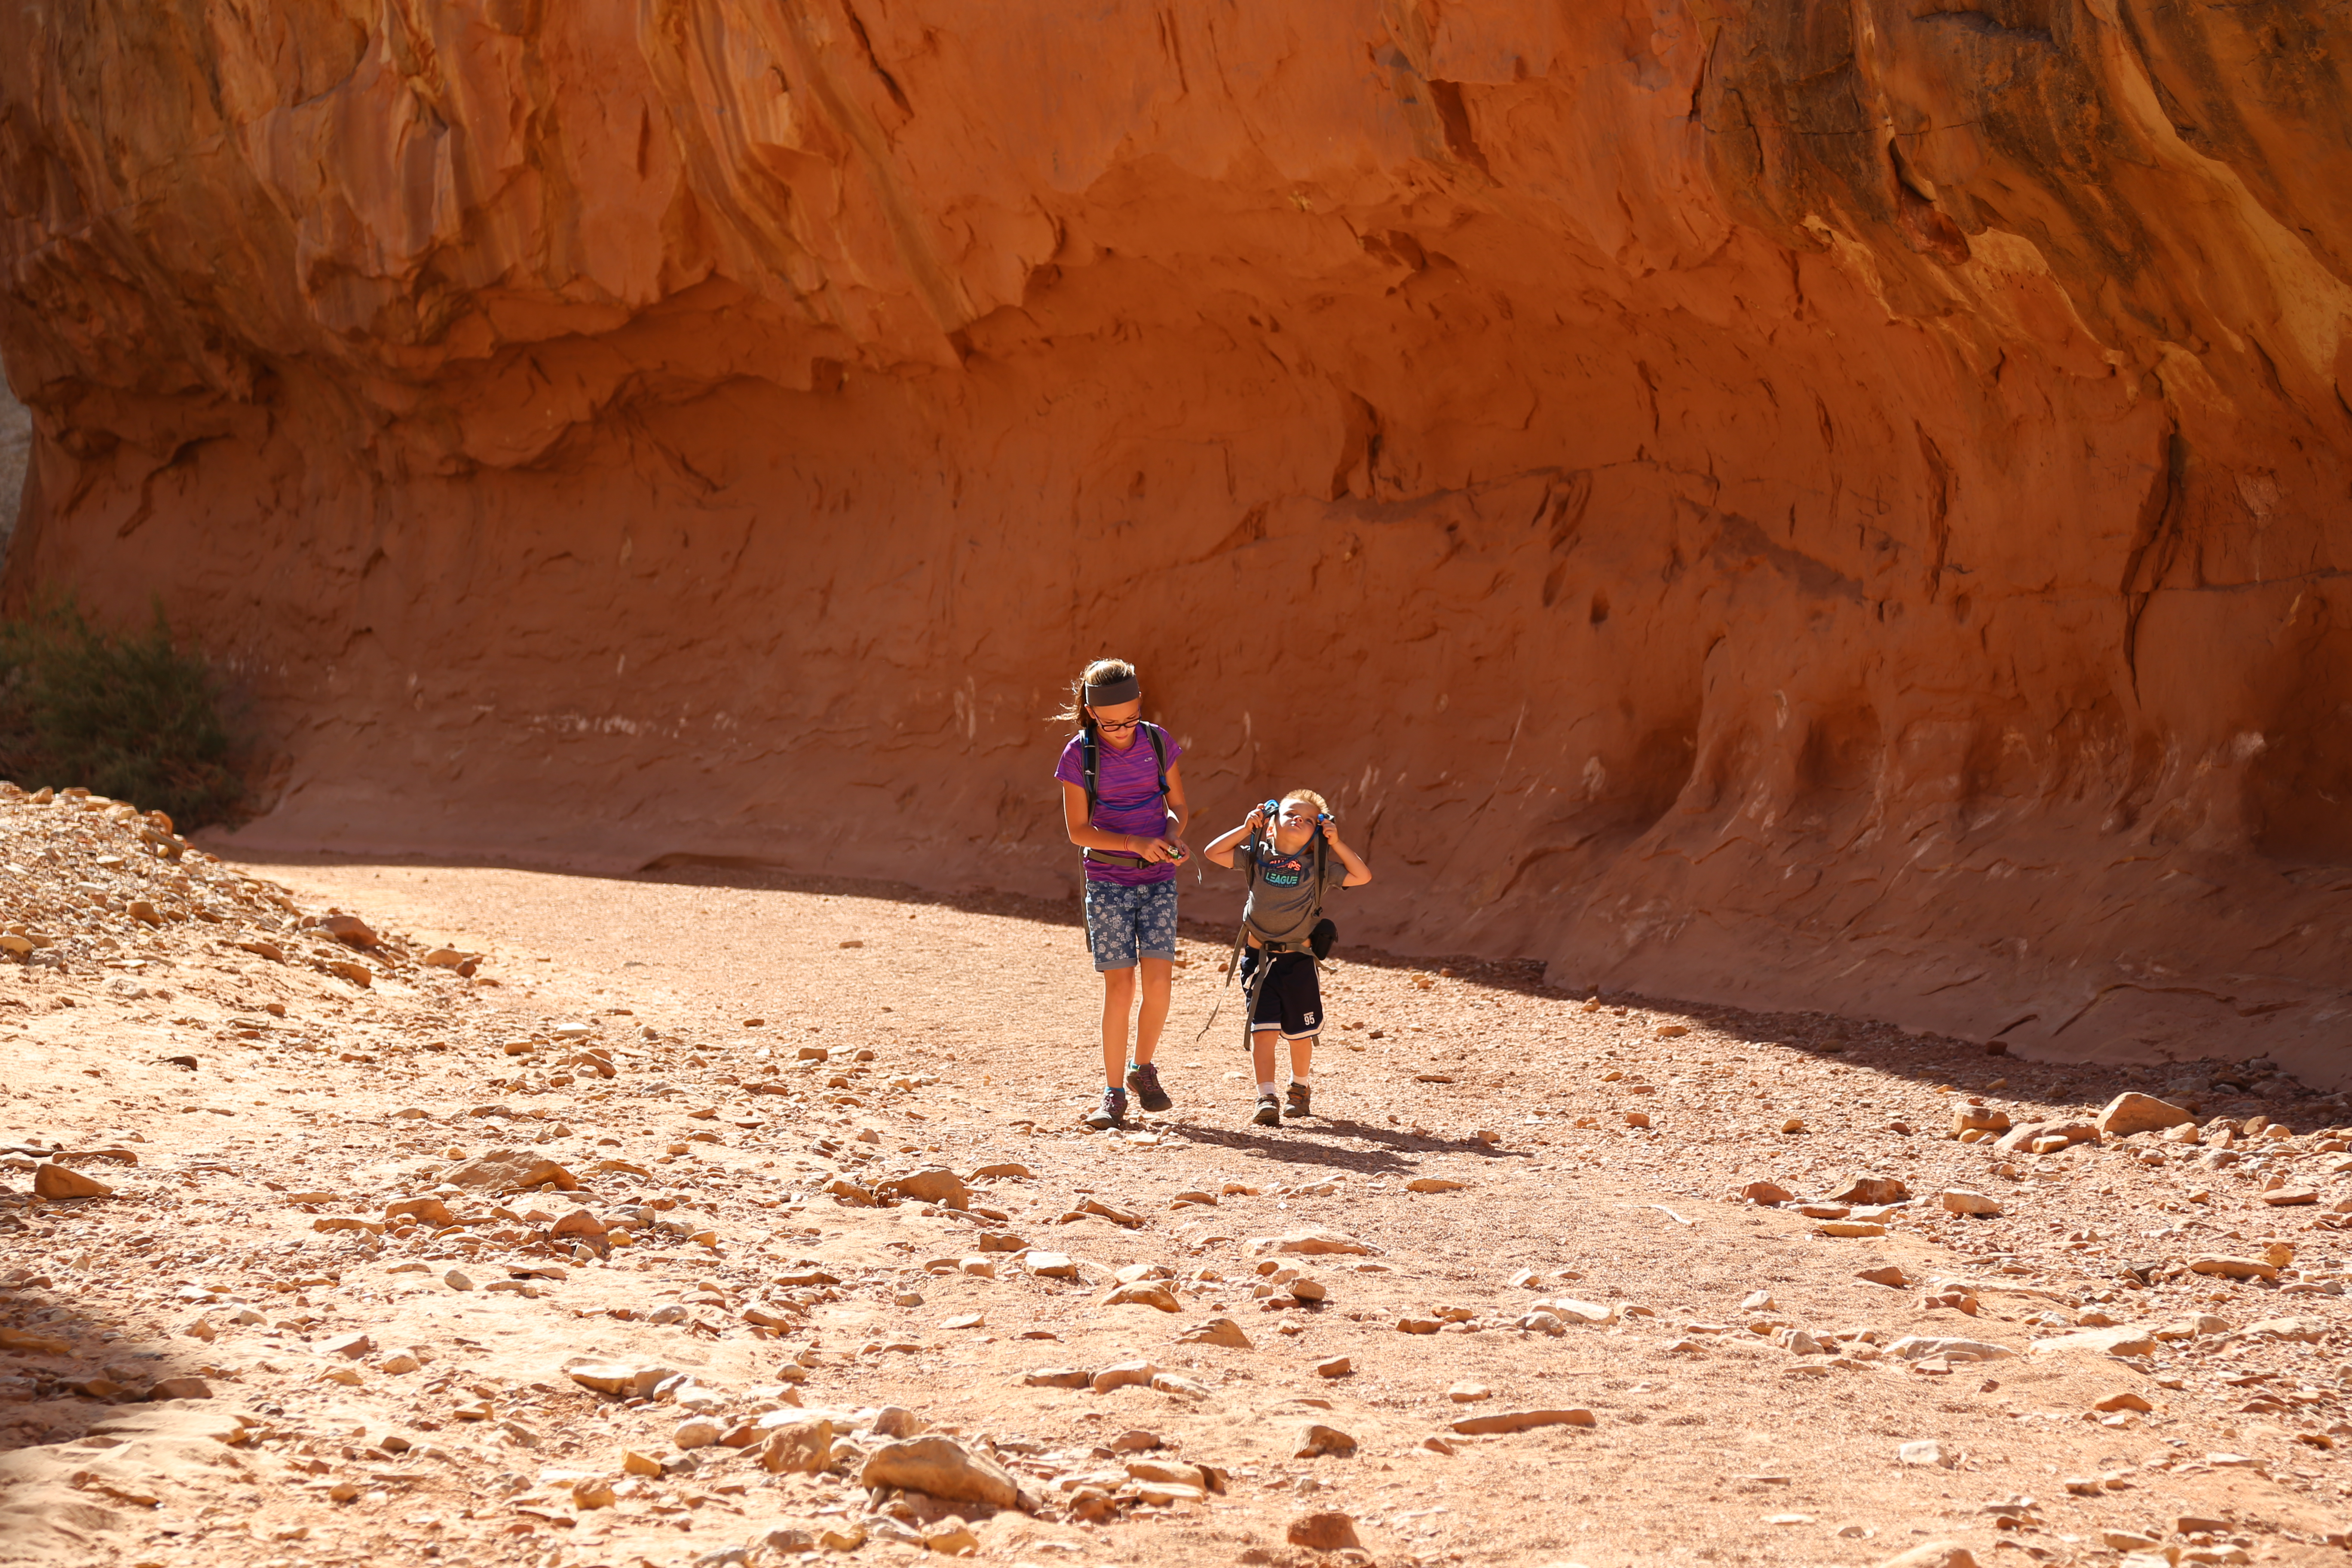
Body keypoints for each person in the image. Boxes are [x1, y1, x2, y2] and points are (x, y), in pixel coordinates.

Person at [1052, 659, 1191, 1130]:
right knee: (1121, 988)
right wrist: (1135, 844)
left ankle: (1142, 1068)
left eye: (1130, 719)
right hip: (1108, 882)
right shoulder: (1079, 754)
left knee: (1159, 986)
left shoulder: (1156, 740)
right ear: (1090, 713)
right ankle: (1112, 1094)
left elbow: (1178, 808)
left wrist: (1171, 837)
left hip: (1158, 881)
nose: (1122, 730)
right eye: (1110, 723)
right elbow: (1077, 831)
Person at [1203, 790, 1372, 1126]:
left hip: (1298, 961)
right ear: (1271, 824)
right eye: (1291, 814)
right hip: (1259, 958)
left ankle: (1300, 1088)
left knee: (1300, 1032)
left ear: (1317, 833)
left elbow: (1362, 875)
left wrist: (1335, 843)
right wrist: (1247, 827)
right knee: (1263, 1030)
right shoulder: (1256, 854)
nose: (1299, 820)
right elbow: (1213, 852)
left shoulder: (1319, 867)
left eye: (1310, 820)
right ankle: (1266, 1096)